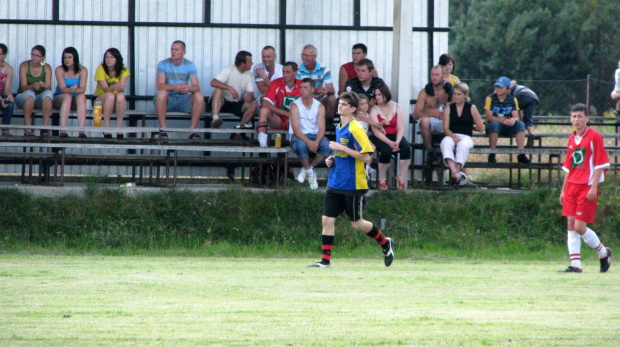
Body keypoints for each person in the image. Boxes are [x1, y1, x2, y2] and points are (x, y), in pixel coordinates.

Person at [308, 91, 394, 268]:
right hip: (335, 181)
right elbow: (342, 154)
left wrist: (341, 148)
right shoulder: (340, 127)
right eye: (340, 103)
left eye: (344, 104)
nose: (340, 106)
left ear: (353, 109)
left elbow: (366, 155)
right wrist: (332, 160)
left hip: (353, 184)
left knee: (357, 224)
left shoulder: (356, 128)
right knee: (327, 219)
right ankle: (325, 261)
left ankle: (385, 242)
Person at [559, 103, 611, 273]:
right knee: (570, 223)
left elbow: (599, 164)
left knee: (579, 227)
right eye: (574, 116)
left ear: (587, 118)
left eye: (580, 116)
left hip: (586, 186)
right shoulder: (571, 138)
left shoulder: (594, 136)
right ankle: (576, 265)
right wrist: (563, 190)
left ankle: (604, 253)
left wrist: (594, 187)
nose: (576, 119)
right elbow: (568, 167)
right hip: (572, 186)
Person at [154, 40, 205, 140]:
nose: (173, 52)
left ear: (183, 52)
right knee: (161, 93)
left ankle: (192, 132)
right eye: (172, 49)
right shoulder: (163, 64)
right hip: (168, 99)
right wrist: (175, 86)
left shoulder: (190, 65)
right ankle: (163, 130)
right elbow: (159, 86)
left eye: (176, 50)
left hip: (184, 99)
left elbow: (196, 87)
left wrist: (189, 88)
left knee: (199, 95)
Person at [289, 78, 331, 190]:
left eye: (305, 87)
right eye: (301, 87)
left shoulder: (319, 106)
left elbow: (322, 127)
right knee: (301, 145)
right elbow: (296, 128)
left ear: (312, 89)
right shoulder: (295, 105)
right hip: (299, 135)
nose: (302, 90)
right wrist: (308, 142)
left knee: (327, 146)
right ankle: (311, 174)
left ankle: (307, 168)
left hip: (315, 135)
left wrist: (316, 141)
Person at [440, 82, 484, 185]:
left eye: (459, 94)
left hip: (466, 135)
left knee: (463, 145)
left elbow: (481, 127)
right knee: (445, 143)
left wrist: (470, 127)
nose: (455, 96)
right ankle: (455, 172)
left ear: (465, 95)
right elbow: (445, 128)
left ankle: (457, 172)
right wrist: (453, 136)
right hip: (451, 134)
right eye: (454, 94)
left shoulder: (471, 108)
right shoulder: (448, 108)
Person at [369, 83, 411, 190]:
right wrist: (390, 143)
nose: (377, 97)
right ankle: (382, 180)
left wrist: (397, 141)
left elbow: (401, 127)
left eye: (379, 95)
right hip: (381, 137)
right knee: (386, 150)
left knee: (406, 147)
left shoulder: (396, 106)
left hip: (395, 135)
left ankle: (402, 177)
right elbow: (376, 131)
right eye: (375, 95)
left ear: (386, 94)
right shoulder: (374, 109)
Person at [412, 65, 453, 164]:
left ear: (443, 76)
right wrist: (430, 113)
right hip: (429, 122)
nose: (434, 77)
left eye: (437, 75)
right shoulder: (425, 92)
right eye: (432, 74)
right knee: (425, 120)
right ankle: (429, 151)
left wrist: (447, 113)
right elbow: (415, 115)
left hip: (444, 122)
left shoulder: (450, 90)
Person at [484, 76, 530, 164]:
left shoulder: (512, 99)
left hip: (507, 125)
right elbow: (489, 116)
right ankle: (492, 153)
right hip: (493, 126)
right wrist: (503, 120)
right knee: (494, 124)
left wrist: (513, 119)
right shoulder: (490, 98)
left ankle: (521, 154)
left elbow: (516, 115)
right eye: (497, 87)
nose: (498, 89)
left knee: (520, 124)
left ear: (508, 89)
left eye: (501, 87)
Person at [257, 62, 301, 148]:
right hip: (279, 120)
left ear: (295, 73)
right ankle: (262, 142)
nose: (284, 74)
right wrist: (287, 114)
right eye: (283, 72)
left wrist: (293, 116)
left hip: (297, 120)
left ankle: (294, 141)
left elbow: (310, 106)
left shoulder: (302, 85)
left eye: (288, 72)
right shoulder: (276, 82)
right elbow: (265, 103)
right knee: (264, 110)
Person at [210, 50, 258, 129]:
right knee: (218, 90)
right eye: (250, 62)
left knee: (254, 104)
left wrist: (249, 97)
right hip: (221, 102)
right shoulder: (228, 69)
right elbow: (213, 82)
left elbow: (251, 94)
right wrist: (229, 88)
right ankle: (215, 119)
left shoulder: (249, 74)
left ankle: (239, 128)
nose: (252, 63)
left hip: (236, 103)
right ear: (242, 64)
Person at [15, 45, 53, 136]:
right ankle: (27, 127)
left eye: (37, 56)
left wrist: (44, 85)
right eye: (32, 55)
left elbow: (49, 87)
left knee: (48, 94)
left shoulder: (46, 67)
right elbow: (23, 87)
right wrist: (32, 86)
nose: (34, 57)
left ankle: (45, 127)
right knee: (30, 93)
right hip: (23, 98)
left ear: (43, 57)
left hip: (39, 99)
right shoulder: (24, 65)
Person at [94, 48, 130, 138]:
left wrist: (116, 88)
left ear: (117, 59)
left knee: (121, 95)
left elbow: (121, 88)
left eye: (111, 57)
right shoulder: (101, 68)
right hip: (99, 101)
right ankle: (106, 127)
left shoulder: (124, 70)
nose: (108, 60)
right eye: (106, 57)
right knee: (110, 95)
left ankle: (119, 127)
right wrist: (114, 87)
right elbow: (105, 89)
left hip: (116, 101)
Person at [298, 44, 337, 125]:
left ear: (314, 57)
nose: (303, 58)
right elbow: (298, 90)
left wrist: (326, 90)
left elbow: (332, 90)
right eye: (302, 55)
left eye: (306, 55)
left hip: (319, 101)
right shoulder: (298, 70)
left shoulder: (324, 68)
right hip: (304, 101)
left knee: (332, 99)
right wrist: (315, 90)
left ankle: (327, 125)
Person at [53, 47, 88, 138]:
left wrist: (76, 90)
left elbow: (83, 88)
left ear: (75, 58)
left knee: (82, 96)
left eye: (69, 57)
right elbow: (63, 89)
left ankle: (81, 131)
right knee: (67, 96)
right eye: (65, 58)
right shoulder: (59, 69)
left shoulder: (83, 70)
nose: (67, 60)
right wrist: (72, 89)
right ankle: (63, 130)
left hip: (75, 98)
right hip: (60, 98)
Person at [0, 43, 15, 136]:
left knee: (10, 102)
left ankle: (5, 128)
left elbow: (7, 89)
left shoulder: (8, 69)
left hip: (1, 94)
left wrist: (9, 95)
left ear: (4, 55)